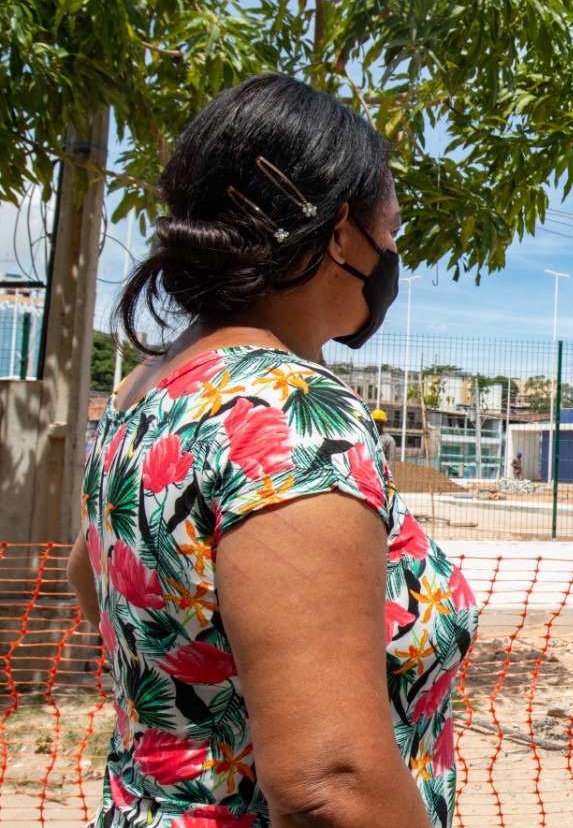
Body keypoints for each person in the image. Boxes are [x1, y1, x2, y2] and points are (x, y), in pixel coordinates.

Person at [65, 75, 478, 828]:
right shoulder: (289, 413)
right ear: (341, 234)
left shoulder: (143, 390)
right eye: (391, 231)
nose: (393, 255)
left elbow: (91, 574)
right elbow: (331, 785)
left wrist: (195, 705)